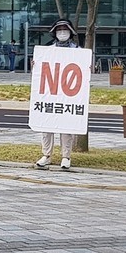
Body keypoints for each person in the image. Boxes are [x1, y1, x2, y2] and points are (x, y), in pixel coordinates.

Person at [35, 19, 78, 171]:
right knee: (46, 125)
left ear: (70, 32)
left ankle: (66, 157)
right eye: (59, 30)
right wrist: (35, 65)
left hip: (69, 93)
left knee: (66, 125)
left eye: (65, 30)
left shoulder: (78, 51)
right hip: (50, 92)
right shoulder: (48, 50)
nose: (62, 32)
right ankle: (46, 155)